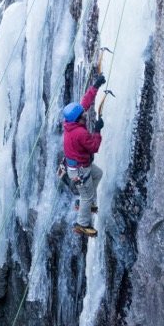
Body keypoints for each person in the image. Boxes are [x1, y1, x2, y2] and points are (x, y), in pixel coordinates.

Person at [62, 74, 106, 237]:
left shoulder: (70, 124)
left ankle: (86, 200)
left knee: (98, 174)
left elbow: (84, 104)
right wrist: (97, 131)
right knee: (87, 196)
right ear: (78, 119)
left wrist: (95, 86)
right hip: (80, 170)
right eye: (83, 116)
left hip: (79, 166)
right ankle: (82, 224)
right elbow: (94, 147)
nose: (85, 115)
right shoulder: (79, 133)